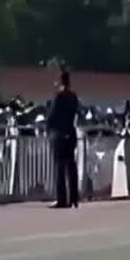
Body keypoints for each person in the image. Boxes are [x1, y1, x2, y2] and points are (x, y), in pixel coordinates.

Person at [46, 69, 80, 208]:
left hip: (59, 134)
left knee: (60, 168)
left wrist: (48, 128)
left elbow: (53, 115)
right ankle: (74, 198)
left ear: (60, 82)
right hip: (71, 133)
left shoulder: (59, 97)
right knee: (71, 167)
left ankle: (62, 199)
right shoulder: (73, 96)